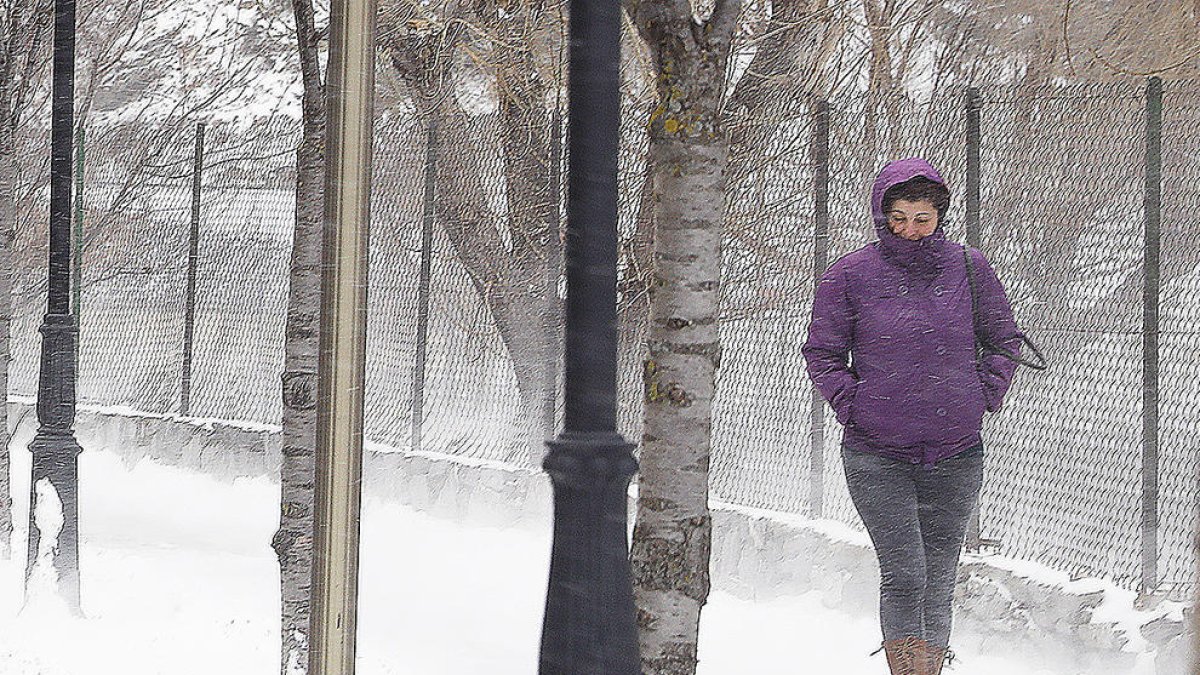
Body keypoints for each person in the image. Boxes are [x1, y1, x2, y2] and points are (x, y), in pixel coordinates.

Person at [801, 157, 1022, 675]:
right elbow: (822, 353)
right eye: (898, 218)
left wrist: (981, 395)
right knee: (905, 573)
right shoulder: (850, 275)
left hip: (957, 452)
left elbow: (1003, 340)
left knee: (940, 576)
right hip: (877, 455)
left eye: (922, 218)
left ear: (939, 216)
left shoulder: (970, 267)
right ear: (881, 215)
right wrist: (855, 406)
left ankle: (929, 669)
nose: (910, 229)